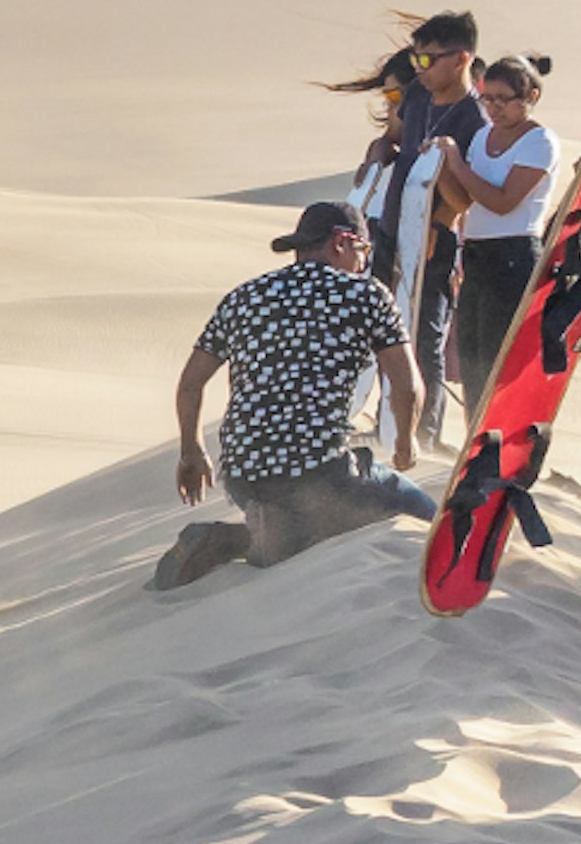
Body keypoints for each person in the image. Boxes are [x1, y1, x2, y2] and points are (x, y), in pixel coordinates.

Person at [153, 199, 431, 588]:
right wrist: (405, 443)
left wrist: (191, 450)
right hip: (322, 473)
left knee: (295, 524)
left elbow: (190, 383)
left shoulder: (244, 297)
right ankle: (259, 537)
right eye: (362, 250)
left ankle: (255, 536)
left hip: (242, 473)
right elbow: (407, 385)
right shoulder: (366, 294)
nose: (363, 262)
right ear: (340, 242)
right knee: (425, 519)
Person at [329, 12, 483, 440]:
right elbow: (394, 135)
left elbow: (464, 198)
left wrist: (437, 223)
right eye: (417, 60)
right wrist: (378, 150)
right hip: (389, 231)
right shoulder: (417, 95)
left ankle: (421, 434)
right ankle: (382, 421)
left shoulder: (475, 120)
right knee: (378, 331)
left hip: (433, 243)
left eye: (428, 60)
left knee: (421, 339)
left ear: (461, 59)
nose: (421, 69)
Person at [438, 54, 559, 416]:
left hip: (514, 256)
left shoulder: (540, 142)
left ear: (531, 97)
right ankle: (475, 440)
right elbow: (466, 201)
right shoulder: (481, 136)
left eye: (503, 99)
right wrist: (443, 167)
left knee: (497, 358)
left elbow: (503, 201)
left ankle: (498, 442)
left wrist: (457, 163)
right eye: (487, 98)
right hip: (476, 254)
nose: (493, 108)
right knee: (471, 354)